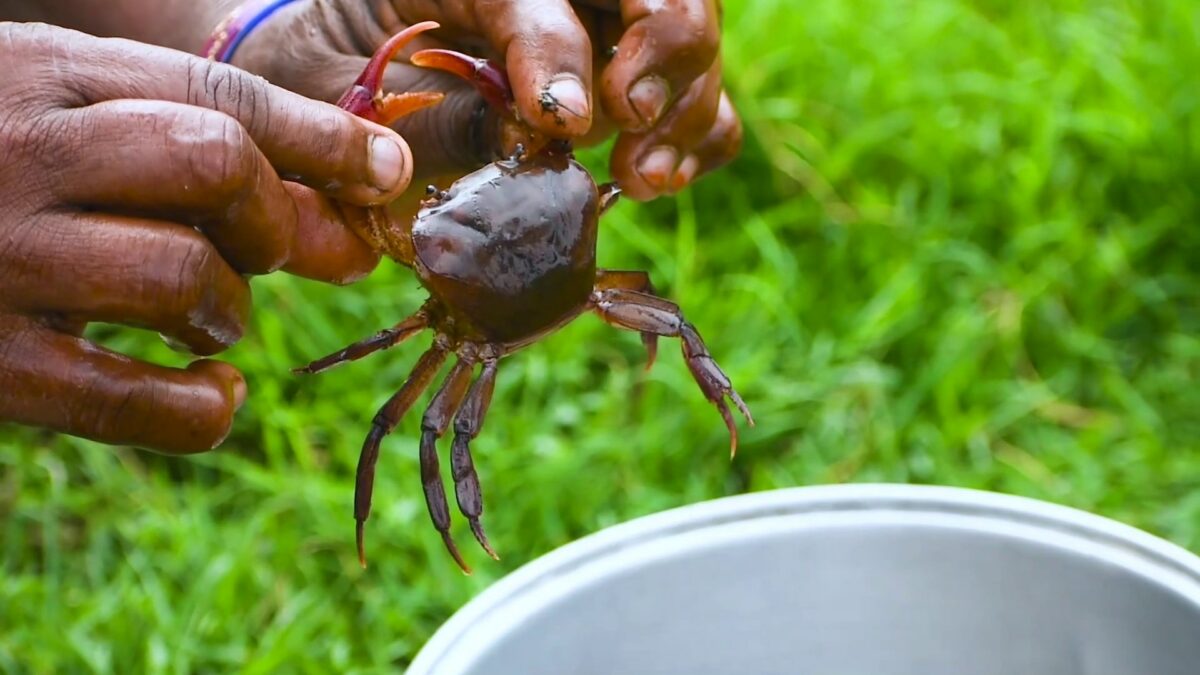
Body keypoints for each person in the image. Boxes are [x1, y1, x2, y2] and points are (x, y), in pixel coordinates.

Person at [0, 0, 741, 454]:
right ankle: (727, 407)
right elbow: (674, 319)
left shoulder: (426, 288)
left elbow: (398, 400)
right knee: (445, 431)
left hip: (480, 333)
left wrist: (252, 46)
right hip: (596, 294)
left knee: (432, 432)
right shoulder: (600, 235)